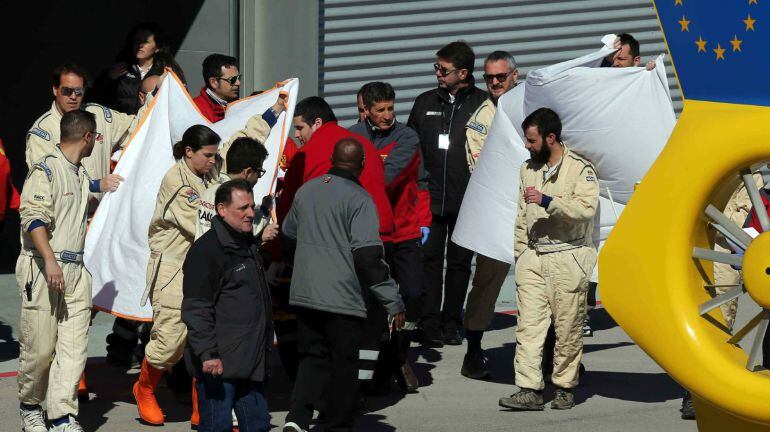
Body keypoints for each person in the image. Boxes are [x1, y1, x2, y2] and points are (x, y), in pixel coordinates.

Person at [281, 138, 405, 432]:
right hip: (343, 297)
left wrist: (302, 271)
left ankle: (297, 418)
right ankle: (335, 423)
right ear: (361, 165)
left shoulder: (305, 191)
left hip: (306, 292)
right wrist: (392, 301)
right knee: (344, 362)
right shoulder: (360, 199)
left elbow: (288, 239)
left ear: (332, 161)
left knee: (311, 356)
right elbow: (368, 257)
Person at [277, 96, 394, 393]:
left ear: (317, 123)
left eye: (300, 127)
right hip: (377, 241)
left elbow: (293, 205)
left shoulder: (310, 152)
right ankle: (362, 387)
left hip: (335, 252)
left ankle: (325, 391)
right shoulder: (361, 144)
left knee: (326, 328)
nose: (297, 135)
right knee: (368, 324)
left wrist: (278, 252)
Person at [17, 110, 123, 432]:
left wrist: (101, 184)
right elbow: (32, 218)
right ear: (88, 138)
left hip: (76, 272)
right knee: (39, 349)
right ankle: (31, 408)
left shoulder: (77, 172)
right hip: (44, 267)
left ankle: (62, 416)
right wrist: (49, 259)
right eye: (97, 138)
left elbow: (79, 185)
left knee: (73, 349)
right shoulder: (45, 170)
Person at [498, 108, 598, 411]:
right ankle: (528, 388)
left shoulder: (581, 169)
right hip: (533, 256)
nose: (527, 146)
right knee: (528, 326)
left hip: (569, 255)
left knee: (568, 326)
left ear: (550, 138)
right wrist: (522, 256)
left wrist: (548, 201)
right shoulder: (527, 169)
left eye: (531, 140)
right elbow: (520, 218)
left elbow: (585, 210)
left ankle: (565, 386)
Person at [133, 125, 220, 427]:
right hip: (173, 271)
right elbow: (203, 225)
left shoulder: (208, 173)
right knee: (169, 342)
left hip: (204, 269)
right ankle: (144, 388)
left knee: (204, 341)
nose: (213, 160)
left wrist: (271, 114)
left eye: (215, 155)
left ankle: (201, 408)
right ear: (189, 152)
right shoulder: (178, 182)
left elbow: (241, 141)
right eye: (208, 155)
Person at [349, 81, 431, 392]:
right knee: (374, 303)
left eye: (390, 108)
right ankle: (379, 362)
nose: (387, 115)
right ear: (365, 110)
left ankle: (401, 354)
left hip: (404, 231)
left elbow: (389, 177)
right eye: (380, 110)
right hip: (369, 232)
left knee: (411, 295)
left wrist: (423, 221)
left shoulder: (407, 137)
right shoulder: (353, 137)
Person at [407, 41, 487, 347]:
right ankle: (428, 323)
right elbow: (411, 147)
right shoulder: (425, 101)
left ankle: (451, 322)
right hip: (430, 197)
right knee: (428, 261)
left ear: (463, 73)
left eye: (444, 69)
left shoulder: (482, 104)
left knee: (459, 264)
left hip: (467, 200)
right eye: (436, 68)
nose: (438, 73)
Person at [182, 179, 274, 432]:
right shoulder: (207, 251)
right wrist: (208, 355)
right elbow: (196, 308)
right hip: (219, 367)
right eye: (242, 208)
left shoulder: (247, 244)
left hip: (250, 362)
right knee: (216, 427)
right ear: (222, 209)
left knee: (257, 426)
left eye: (252, 207)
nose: (250, 213)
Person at [461, 50, 519, 380]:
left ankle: (556, 352)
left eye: (500, 76)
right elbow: (481, 166)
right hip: (496, 211)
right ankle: (473, 349)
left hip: (536, 210)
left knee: (545, 286)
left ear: (514, 74)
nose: (494, 83)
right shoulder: (481, 118)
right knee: (485, 284)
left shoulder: (534, 103)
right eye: (488, 78)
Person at [27, 63, 136, 184]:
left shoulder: (100, 115)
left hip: (101, 202)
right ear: (55, 90)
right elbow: (45, 182)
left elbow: (137, 128)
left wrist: (155, 92)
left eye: (78, 91)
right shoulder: (42, 132)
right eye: (67, 91)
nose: (73, 96)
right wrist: (96, 186)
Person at [195, 137, 277, 240]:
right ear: (248, 172)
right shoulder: (232, 198)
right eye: (259, 172)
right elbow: (247, 231)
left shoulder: (208, 192)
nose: (259, 177)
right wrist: (264, 209)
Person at [92, 23, 168, 114]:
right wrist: (108, 77)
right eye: (137, 40)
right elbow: (94, 96)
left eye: (145, 41)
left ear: (157, 47)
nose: (140, 45)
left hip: (148, 125)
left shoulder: (164, 73)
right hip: (121, 124)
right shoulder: (119, 69)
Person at [194, 54, 241, 123]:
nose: (238, 83)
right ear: (213, 82)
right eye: (232, 80)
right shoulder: (196, 111)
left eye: (238, 78)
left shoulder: (240, 105)